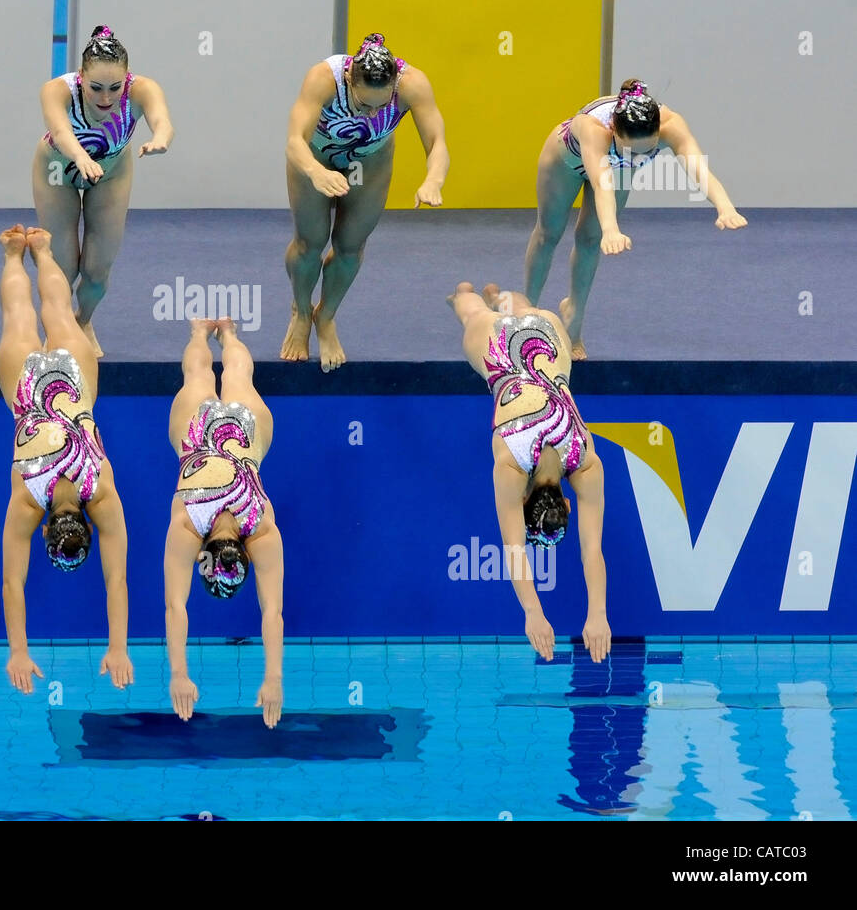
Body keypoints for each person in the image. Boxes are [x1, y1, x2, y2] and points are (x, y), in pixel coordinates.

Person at [0, 224, 134, 693]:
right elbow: (12, 584)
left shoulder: (103, 493)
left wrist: (119, 646)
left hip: (74, 380)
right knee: (20, 317)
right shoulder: (28, 502)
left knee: (56, 313)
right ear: (45, 531)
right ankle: (16, 255)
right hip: (25, 389)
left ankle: (43, 249)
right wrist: (18, 650)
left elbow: (118, 581)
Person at [447, 280, 611, 664]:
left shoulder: (585, 461)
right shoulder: (510, 466)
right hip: (498, 351)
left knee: (524, 312)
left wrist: (598, 614)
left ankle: (495, 295)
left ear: (567, 505)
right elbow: (514, 550)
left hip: (550, 335)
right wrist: (533, 613)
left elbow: (592, 553)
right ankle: (468, 294)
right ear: (524, 501)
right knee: (472, 314)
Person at [524, 78, 747, 359]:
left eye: (646, 151)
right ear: (613, 129)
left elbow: (699, 169)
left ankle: (574, 318)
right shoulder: (593, 130)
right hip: (566, 160)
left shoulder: (672, 125)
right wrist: (611, 228)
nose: (638, 156)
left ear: (658, 131)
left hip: (616, 170)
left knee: (590, 239)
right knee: (549, 233)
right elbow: (601, 182)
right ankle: (526, 311)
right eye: (630, 149)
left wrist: (725, 207)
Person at [282, 32, 451, 371]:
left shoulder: (412, 84)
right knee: (309, 242)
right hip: (317, 154)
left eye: (381, 106)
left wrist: (433, 179)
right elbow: (294, 141)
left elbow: (437, 142)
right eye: (363, 105)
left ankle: (325, 317)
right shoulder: (323, 79)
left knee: (350, 244)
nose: (372, 114)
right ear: (349, 80)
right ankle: (301, 312)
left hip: (370, 159)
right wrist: (316, 171)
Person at [165, 318, 284, 727]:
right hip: (197, 432)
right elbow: (175, 607)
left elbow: (273, 613)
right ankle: (203, 334)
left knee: (237, 376)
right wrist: (178, 674)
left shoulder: (261, 530)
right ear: (202, 555)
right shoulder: (187, 527)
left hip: (245, 433)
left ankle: (227, 334)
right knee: (198, 374)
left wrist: (274, 679)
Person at [34, 25, 174, 357]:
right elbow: (59, 129)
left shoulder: (143, 90)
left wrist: (160, 139)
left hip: (111, 172)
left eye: (115, 88)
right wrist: (81, 157)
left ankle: (82, 321)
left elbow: (163, 120)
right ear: (81, 76)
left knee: (96, 273)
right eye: (96, 88)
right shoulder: (57, 91)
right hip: (59, 170)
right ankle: (58, 328)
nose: (106, 99)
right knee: (63, 266)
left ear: (127, 80)